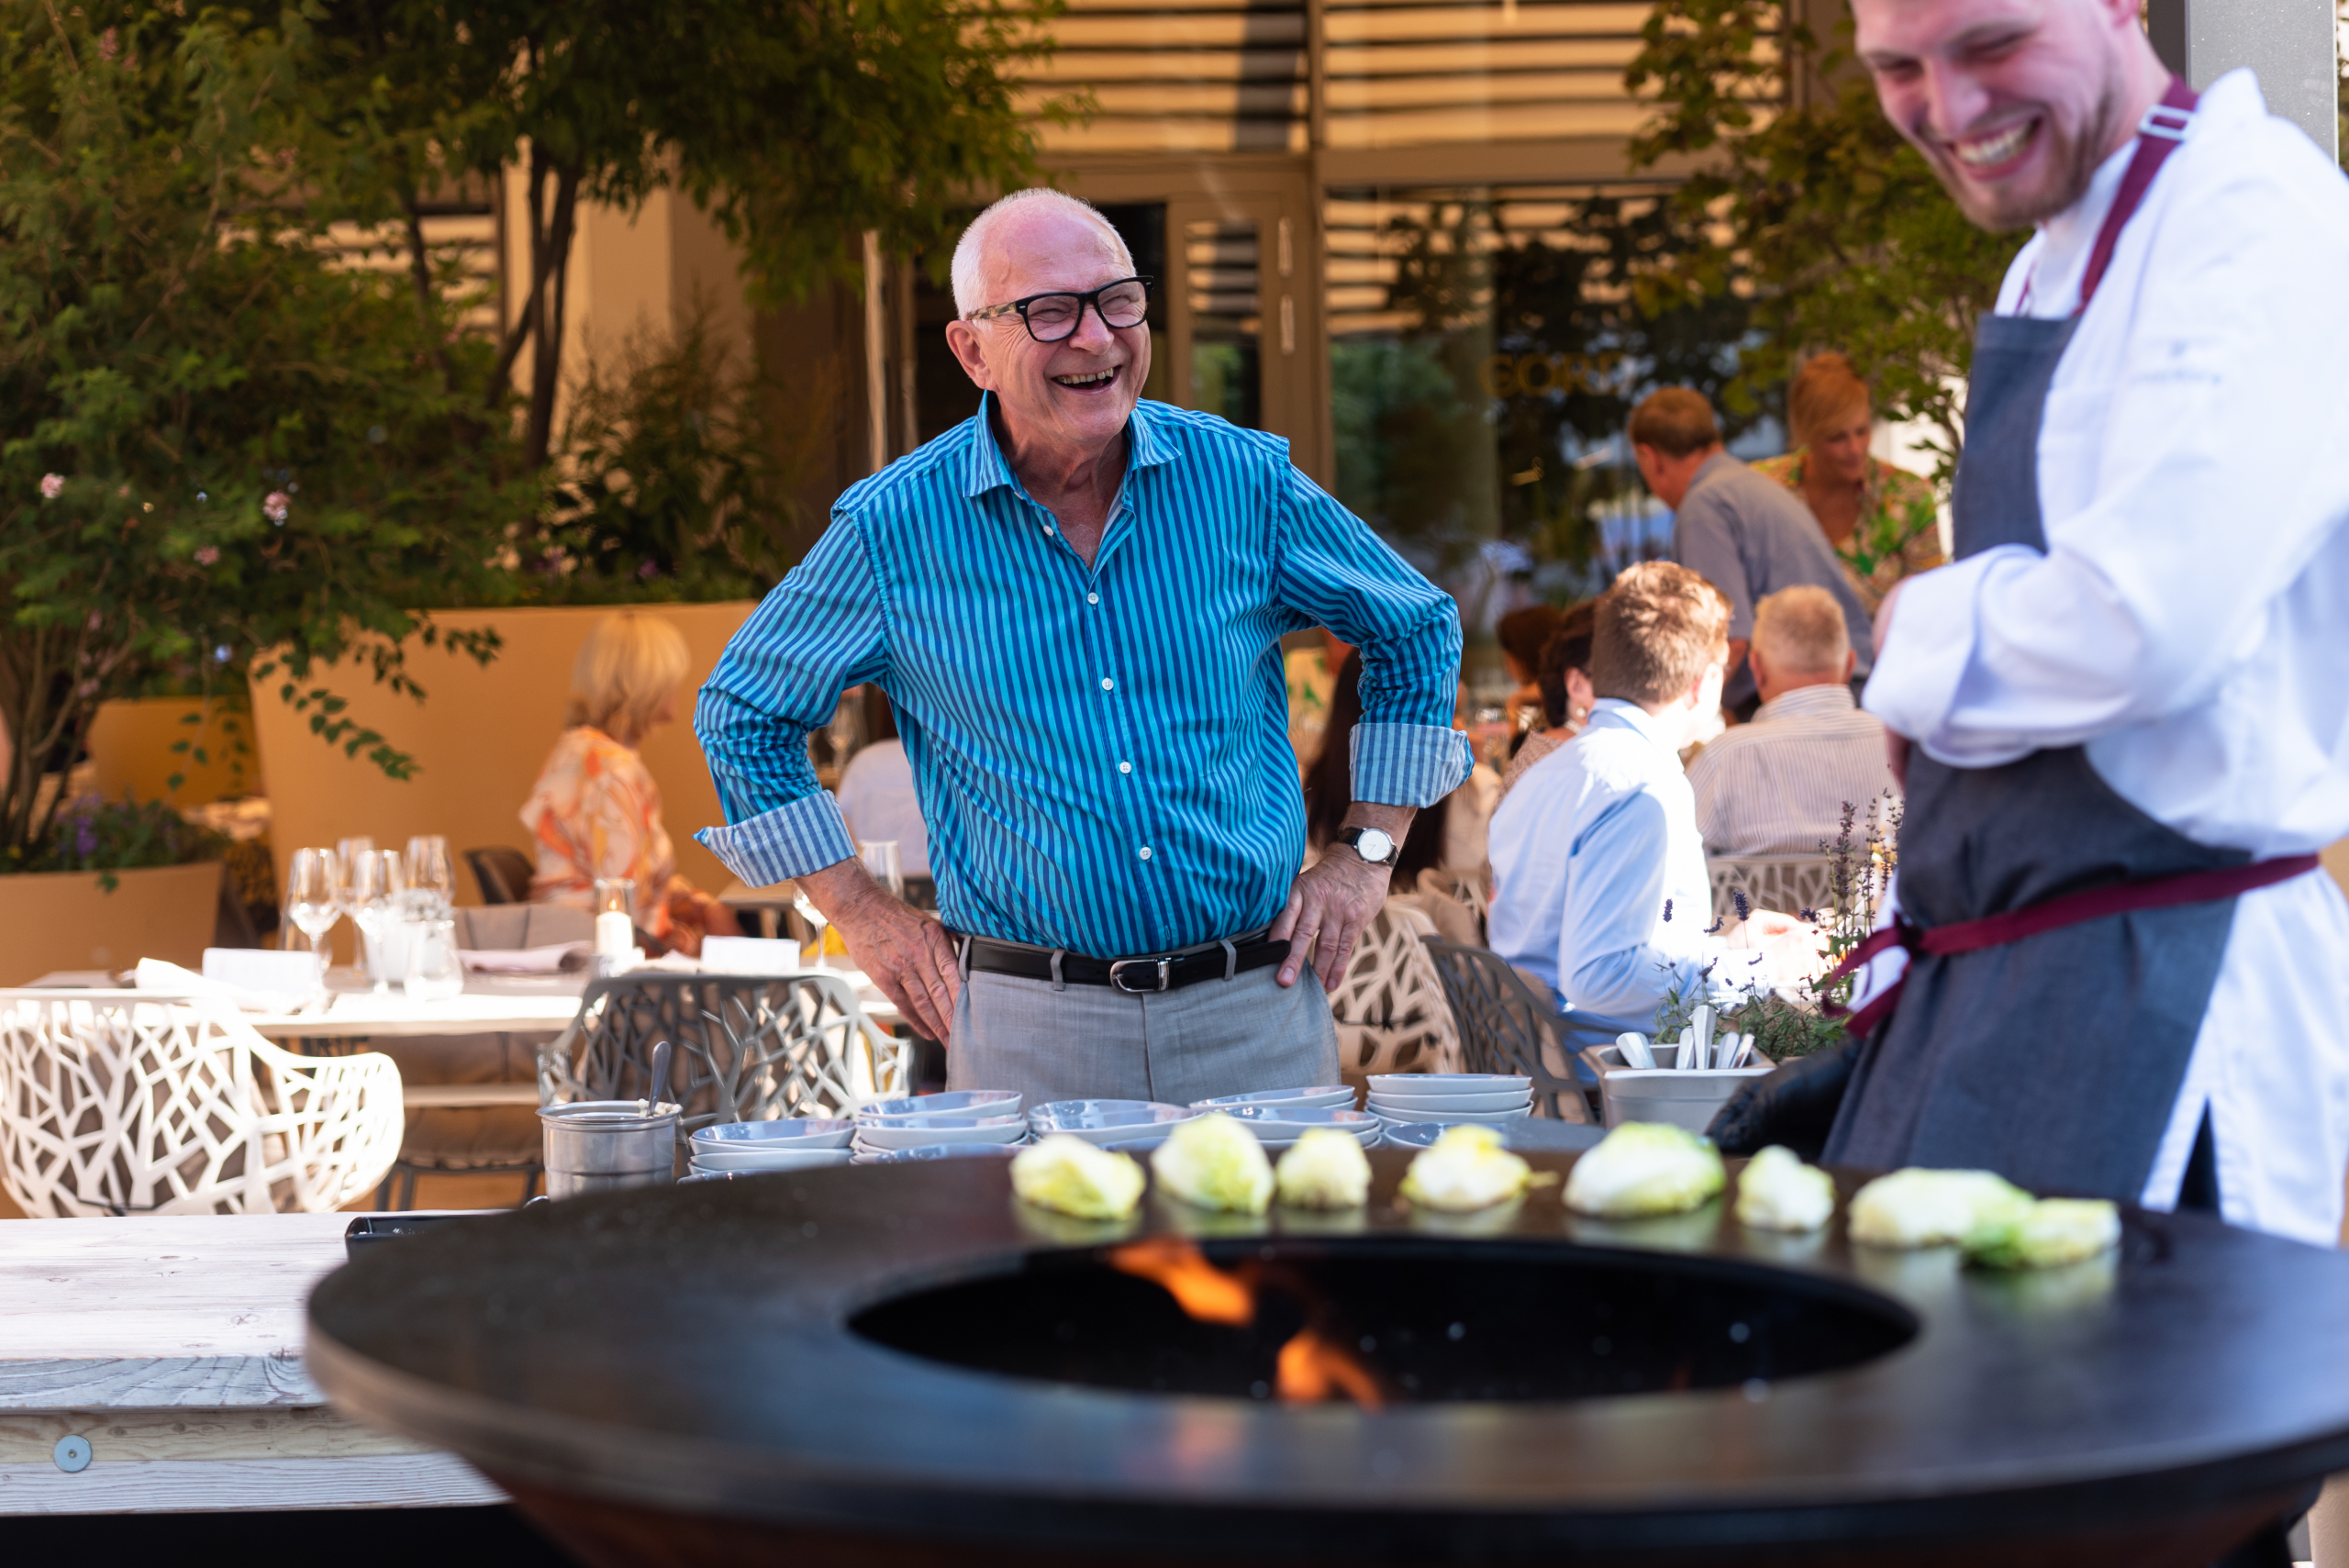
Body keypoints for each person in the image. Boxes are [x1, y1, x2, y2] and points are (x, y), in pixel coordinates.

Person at [1767, 0, 2349, 1246]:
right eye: (1897, 68)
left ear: (2123, 4)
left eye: (1991, 46)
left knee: (2137, 1425)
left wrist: (1921, 634)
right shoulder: (2052, 254)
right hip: (1999, 986)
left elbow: (2149, 620)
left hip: (2166, 989)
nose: (1951, 106)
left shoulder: (2251, 222)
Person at [694, 187, 1470, 1107]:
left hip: (1252, 1008)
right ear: (971, 349)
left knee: (1274, 1258)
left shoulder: (1241, 482)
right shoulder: (894, 527)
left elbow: (1415, 624)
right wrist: (858, 911)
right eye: (1047, 312)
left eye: (1118, 300)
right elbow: (742, 712)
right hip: (1032, 1027)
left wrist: (1367, 852)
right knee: (1051, 1259)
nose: (1096, 338)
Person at [1486, 563, 1818, 1053]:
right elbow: (1600, 975)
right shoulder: (1639, 785)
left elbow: (1589, 944)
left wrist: (1729, 946)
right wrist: (1765, 969)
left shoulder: (1546, 774)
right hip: (1620, 1077)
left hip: (1550, 1068)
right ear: (1704, 684)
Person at [1632, 387, 1875, 718]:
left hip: (1805, 705)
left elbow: (1730, 640)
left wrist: (1669, 719)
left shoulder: (1704, 507)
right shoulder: (1748, 486)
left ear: (1650, 458)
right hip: (1846, 696)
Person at [520, 612, 741, 957]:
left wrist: (703, 907)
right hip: (598, 955)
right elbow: (624, 908)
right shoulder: (613, 771)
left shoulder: (574, 751)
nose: (679, 688)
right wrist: (701, 943)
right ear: (647, 684)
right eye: (672, 678)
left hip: (569, 940)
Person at [1686, 585, 1898, 857]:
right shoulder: (1901, 744)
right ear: (1849, 665)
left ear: (1757, 668)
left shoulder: (1724, 758)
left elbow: (1672, 865)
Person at [1752, 353, 1946, 615]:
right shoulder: (1762, 490)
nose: (1855, 449)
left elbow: (1934, 607)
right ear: (1807, 434)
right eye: (1837, 437)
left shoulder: (1907, 496)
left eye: (1862, 431)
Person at [1306, 649, 1488, 891]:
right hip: (1440, 923)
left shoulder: (1303, 790)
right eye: (1451, 713)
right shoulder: (1477, 792)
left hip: (1342, 924)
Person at [1497, 600, 1595, 804]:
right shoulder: (1568, 706)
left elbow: (1514, 765)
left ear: (1521, 658)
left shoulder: (1557, 713)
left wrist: (1514, 705)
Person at [833, 686, 931, 882]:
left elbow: (838, 836)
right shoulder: (962, 764)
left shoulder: (865, 762)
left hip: (878, 895)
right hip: (956, 899)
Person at [1495, 603, 1563, 738]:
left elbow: (1514, 754)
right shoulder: (1570, 692)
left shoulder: (1558, 700)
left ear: (1522, 659)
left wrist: (1515, 702)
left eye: (1507, 656)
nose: (1506, 665)